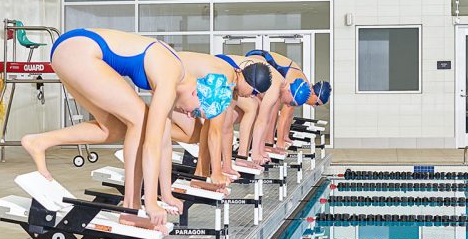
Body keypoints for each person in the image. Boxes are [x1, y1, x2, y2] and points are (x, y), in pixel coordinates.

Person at [20, 29, 232, 226]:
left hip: (70, 50)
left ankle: (39, 142)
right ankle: (131, 208)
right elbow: (151, 145)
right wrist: (151, 202)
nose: (188, 115)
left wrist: (166, 195)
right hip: (80, 50)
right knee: (140, 119)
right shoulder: (169, 79)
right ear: (196, 93)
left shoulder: (174, 79)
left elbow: (165, 143)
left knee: (115, 129)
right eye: (195, 112)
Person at [173, 53, 272, 184]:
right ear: (249, 82)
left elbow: (225, 128)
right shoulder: (224, 82)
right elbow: (215, 132)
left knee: (205, 128)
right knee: (194, 134)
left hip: (170, 74)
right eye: (254, 92)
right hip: (165, 73)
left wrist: (226, 166)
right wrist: (217, 173)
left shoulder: (231, 78)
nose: (252, 97)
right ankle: (146, 128)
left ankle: (200, 176)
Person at [233, 51, 311, 165]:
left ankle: (243, 154)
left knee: (254, 109)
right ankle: (242, 156)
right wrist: (256, 153)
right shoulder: (276, 86)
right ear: (289, 90)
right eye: (292, 103)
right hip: (234, 72)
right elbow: (262, 121)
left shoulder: (280, 84)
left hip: (242, 70)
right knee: (252, 107)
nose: (289, 105)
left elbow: (265, 120)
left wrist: (260, 150)